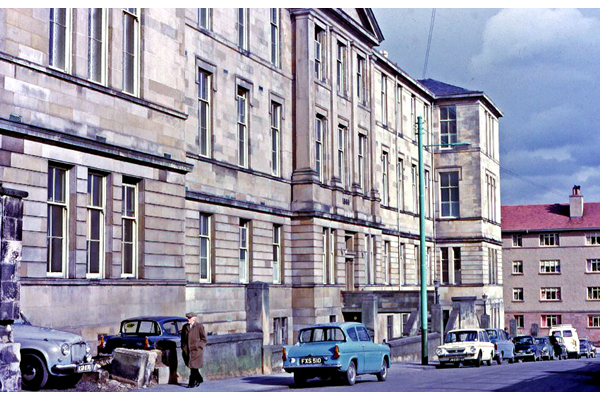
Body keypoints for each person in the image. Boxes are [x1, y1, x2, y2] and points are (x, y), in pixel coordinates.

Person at [181, 312, 207, 388]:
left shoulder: (199, 326)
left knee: (193, 367)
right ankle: (199, 379)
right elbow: (183, 338)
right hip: (187, 350)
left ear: (194, 319)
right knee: (192, 366)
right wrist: (183, 346)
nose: (187, 319)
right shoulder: (185, 327)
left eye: (189, 318)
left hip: (196, 351)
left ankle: (191, 383)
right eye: (187, 318)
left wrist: (199, 346)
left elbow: (204, 339)